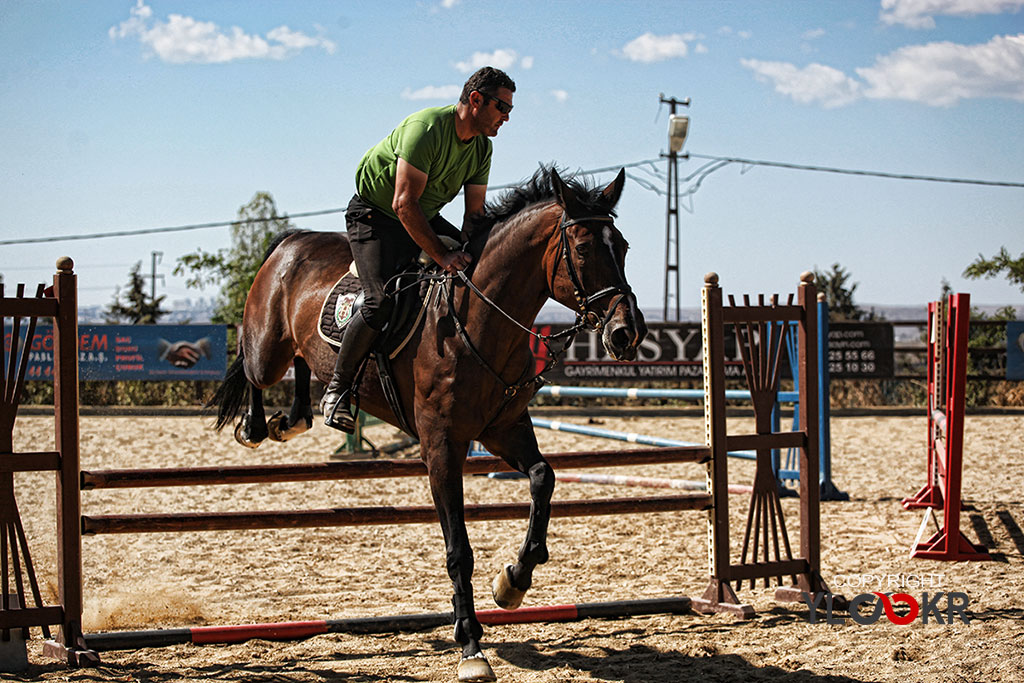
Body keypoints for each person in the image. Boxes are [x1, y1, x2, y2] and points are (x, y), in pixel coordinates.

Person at [321, 66, 516, 432]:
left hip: (422, 214)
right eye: (502, 108)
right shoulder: (426, 129)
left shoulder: (482, 149)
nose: (506, 118)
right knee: (380, 303)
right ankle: (338, 390)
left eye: (509, 111)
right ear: (475, 100)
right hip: (376, 216)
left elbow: (474, 217)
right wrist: (443, 257)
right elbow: (403, 204)